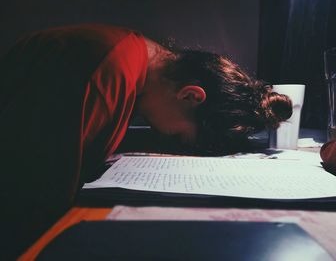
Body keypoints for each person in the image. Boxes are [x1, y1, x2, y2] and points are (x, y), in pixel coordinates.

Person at [0, 23, 292, 259]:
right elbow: (37, 202)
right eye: (178, 137)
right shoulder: (110, 72)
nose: (166, 139)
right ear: (190, 96)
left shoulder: (132, 57)